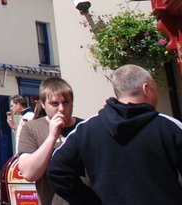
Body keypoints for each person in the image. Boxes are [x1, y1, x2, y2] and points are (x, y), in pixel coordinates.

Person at [48, 64, 182, 204]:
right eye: (155, 88)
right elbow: (57, 171)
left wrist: (91, 201)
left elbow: (57, 170)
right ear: (146, 89)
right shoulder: (170, 127)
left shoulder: (86, 129)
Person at [16, 77, 80, 205]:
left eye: (66, 102)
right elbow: (29, 173)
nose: (61, 109)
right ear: (43, 104)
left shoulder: (84, 127)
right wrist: (52, 137)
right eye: (55, 104)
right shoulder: (31, 128)